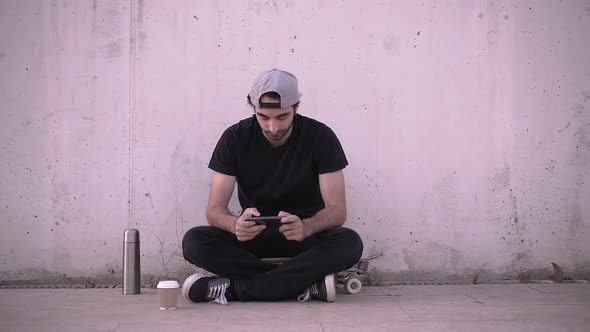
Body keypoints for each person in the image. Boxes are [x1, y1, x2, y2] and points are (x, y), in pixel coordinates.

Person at [181, 69, 363, 305]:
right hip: (252, 238)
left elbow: (337, 211)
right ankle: (305, 284)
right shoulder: (234, 138)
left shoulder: (321, 137)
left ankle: (235, 289)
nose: (273, 128)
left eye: (282, 117)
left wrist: (307, 226)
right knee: (194, 241)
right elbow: (214, 210)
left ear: (296, 108)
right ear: (253, 108)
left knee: (349, 243)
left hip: (303, 238)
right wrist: (235, 225)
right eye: (263, 117)